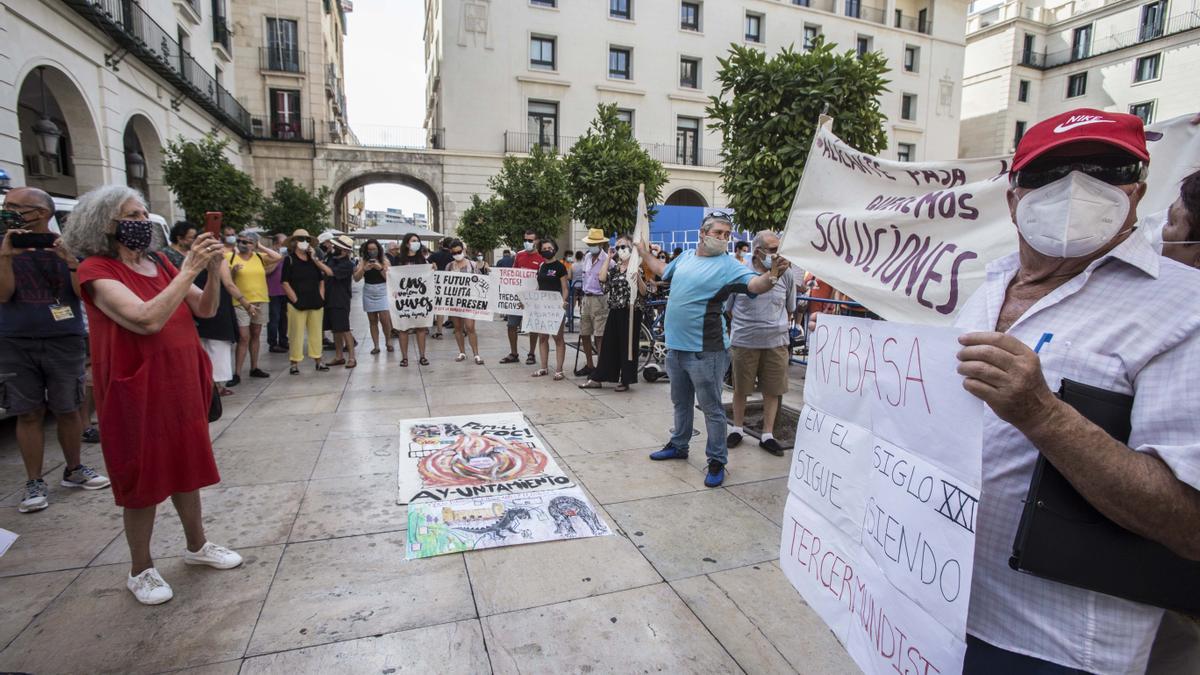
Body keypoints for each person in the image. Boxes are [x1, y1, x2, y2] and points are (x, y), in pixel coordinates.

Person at [951, 109, 1200, 673]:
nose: (1074, 189)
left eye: (1100, 170)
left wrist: (1043, 415)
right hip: (930, 599)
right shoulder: (986, 286)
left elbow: (1190, 524)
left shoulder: (1185, 309)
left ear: (1134, 192)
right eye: (1050, 174)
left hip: (1050, 645)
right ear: (1014, 199)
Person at [64, 185, 242, 605]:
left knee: (186, 466)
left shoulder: (160, 261)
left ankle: (197, 546)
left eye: (145, 214)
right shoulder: (95, 270)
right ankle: (140, 568)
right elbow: (145, 320)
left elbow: (204, 310)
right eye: (132, 215)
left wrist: (212, 271)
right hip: (135, 384)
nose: (142, 222)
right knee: (141, 476)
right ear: (104, 224)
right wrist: (187, 270)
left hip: (179, 381)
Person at [636, 212, 791, 488]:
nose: (722, 238)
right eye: (718, 232)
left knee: (712, 409)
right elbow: (661, 270)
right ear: (702, 233)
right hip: (676, 349)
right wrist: (643, 252)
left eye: (726, 235)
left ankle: (717, 460)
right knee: (681, 402)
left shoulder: (729, 266)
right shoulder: (684, 259)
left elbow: (756, 284)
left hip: (706, 351)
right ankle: (679, 444)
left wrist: (774, 274)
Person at [1, 186, 110, 513]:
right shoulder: (2, 246)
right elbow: (3, 295)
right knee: (28, 412)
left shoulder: (69, 247)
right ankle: (34, 481)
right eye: (7, 206)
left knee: (68, 407)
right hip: (15, 341)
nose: (9, 211)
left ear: (43, 213)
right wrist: (5, 256)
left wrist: (71, 261)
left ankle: (74, 468)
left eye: (17, 207)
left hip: (63, 338)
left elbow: (84, 294)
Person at [725, 231, 796, 457]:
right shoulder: (739, 273)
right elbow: (729, 308)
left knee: (772, 389)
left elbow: (790, 307)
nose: (778, 255)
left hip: (776, 342)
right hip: (745, 341)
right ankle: (737, 428)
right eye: (773, 250)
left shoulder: (786, 275)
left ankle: (767, 435)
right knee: (741, 388)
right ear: (758, 252)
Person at [580, 234, 647, 392]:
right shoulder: (615, 268)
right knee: (609, 345)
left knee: (627, 346)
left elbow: (644, 292)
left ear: (632, 248)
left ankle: (626, 380)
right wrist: (608, 258)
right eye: (617, 247)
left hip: (631, 311)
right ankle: (599, 377)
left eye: (623, 247)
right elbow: (602, 279)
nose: (620, 250)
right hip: (615, 309)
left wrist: (637, 277)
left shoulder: (638, 267)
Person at [226, 231, 282, 385]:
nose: (242, 244)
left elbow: (277, 257)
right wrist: (233, 271)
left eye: (247, 242)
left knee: (256, 334)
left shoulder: (259, 257)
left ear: (253, 244)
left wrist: (260, 246)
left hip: (260, 300)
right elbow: (227, 281)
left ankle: (254, 367)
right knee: (244, 337)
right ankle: (237, 373)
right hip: (240, 302)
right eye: (240, 241)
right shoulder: (230, 257)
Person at [280, 228, 332, 374]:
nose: (304, 242)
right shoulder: (288, 260)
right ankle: (294, 363)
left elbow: (323, 277)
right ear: (294, 242)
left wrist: (321, 296)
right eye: (301, 239)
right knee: (296, 334)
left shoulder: (313, 259)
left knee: (316, 333)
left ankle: (318, 360)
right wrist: (295, 300)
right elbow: (284, 282)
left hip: (315, 301)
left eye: (307, 240)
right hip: (297, 303)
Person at [193, 248, 239, 398]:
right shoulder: (219, 261)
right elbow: (228, 283)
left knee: (206, 347)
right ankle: (216, 387)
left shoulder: (192, 260)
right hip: (216, 308)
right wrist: (245, 302)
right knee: (218, 348)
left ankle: (210, 384)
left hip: (199, 307)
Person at [499, 229, 544, 365]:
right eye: (525, 240)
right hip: (518, 298)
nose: (527, 243)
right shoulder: (519, 255)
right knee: (511, 325)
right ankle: (514, 353)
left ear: (536, 241)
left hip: (533, 298)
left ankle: (531, 354)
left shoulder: (542, 258)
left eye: (530, 240)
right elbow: (513, 274)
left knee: (533, 327)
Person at [391, 232, 431, 367]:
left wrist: (433, 269)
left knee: (421, 328)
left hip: (419, 298)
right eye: (414, 240)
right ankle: (404, 357)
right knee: (403, 328)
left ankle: (422, 356)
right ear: (407, 243)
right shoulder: (398, 259)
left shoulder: (422, 259)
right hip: (404, 299)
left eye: (418, 241)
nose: (416, 243)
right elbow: (393, 277)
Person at [574, 228, 611, 376]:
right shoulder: (587, 257)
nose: (591, 246)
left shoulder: (608, 260)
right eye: (590, 243)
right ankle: (590, 365)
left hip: (600, 299)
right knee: (584, 333)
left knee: (599, 335)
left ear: (601, 244)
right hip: (586, 298)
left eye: (594, 243)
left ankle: (601, 368)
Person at [531, 239, 569, 380]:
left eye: (550, 247)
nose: (547, 250)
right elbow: (538, 286)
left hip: (555, 307)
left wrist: (563, 301)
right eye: (544, 248)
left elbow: (565, 288)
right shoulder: (541, 266)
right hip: (542, 307)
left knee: (558, 338)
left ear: (554, 249)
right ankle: (543, 367)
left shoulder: (560, 267)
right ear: (541, 251)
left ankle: (559, 370)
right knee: (542, 337)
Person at [446, 238, 486, 364]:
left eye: (458, 251)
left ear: (463, 250)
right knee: (457, 327)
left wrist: (485, 269)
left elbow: (481, 280)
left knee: (470, 327)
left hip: (469, 301)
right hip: (454, 301)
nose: (457, 254)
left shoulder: (472, 265)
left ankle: (476, 354)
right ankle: (462, 352)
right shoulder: (449, 266)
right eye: (454, 253)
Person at [354, 238, 394, 355]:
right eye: (370, 249)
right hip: (368, 291)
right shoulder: (363, 261)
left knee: (385, 320)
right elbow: (356, 278)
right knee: (372, 321)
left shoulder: (385, 260)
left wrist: (379, 268)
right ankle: (376, 345)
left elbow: (389, 278)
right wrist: (363, 270)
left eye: (374, 249)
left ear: (378, 249)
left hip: (382, 291)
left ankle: (388, 341)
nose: (372, 251)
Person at [324, 235, 357, 368]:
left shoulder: (347, 264)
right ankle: (339, 356)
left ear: (344, 250)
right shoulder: (331, 259)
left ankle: (352, 358)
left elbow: (330, 273)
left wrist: (316, 261)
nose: (333, 248)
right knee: (335, 330)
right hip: (329, 298)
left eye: (336, 247)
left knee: (344, 328)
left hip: (340, 299)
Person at [266, 233, 290, 354]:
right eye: (283, 243)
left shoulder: (287, 256)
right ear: (276, 244)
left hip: (284, 291)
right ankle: (272, 343)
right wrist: (278, 259)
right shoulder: (268, 255)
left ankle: (283, 340)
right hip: (273, 291)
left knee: (284, 319)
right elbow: (266, 271)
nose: (285, 246)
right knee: (274, 318)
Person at [427, 237, 454, 339]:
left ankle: (439, 331)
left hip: (437, 284)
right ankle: (459, 328)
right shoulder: (454, 256)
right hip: (452, 285)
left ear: (443, 244)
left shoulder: (434, 255)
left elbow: (427, 265)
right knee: (455, 306)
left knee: (439, 308)